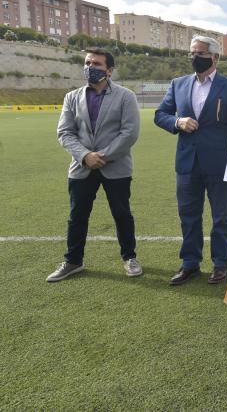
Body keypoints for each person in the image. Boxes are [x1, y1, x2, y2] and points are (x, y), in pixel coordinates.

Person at [154, 35, 227, 286]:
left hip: (219, 164)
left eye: (200, 54)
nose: (195, 58)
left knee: (221, 217)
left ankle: (221, 264)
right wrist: (177, 122)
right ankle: (190, 263)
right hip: (187, 163)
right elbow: (161, 114)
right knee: (188, 216)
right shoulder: (178, 84)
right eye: (191, 53)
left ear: (215, 57)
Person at [49, 48, 141, 282]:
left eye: (97, 64)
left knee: (122, 214)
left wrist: (103, 156)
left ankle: (129, 257)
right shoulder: (72, 97)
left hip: (116, 167)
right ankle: (73, 261)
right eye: (88, 62)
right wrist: (85, 156)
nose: (90, 67)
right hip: (81, 167)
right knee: (77, 215)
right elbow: (65, 133)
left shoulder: (125, 96)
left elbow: (129, 133)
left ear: (109, 70)